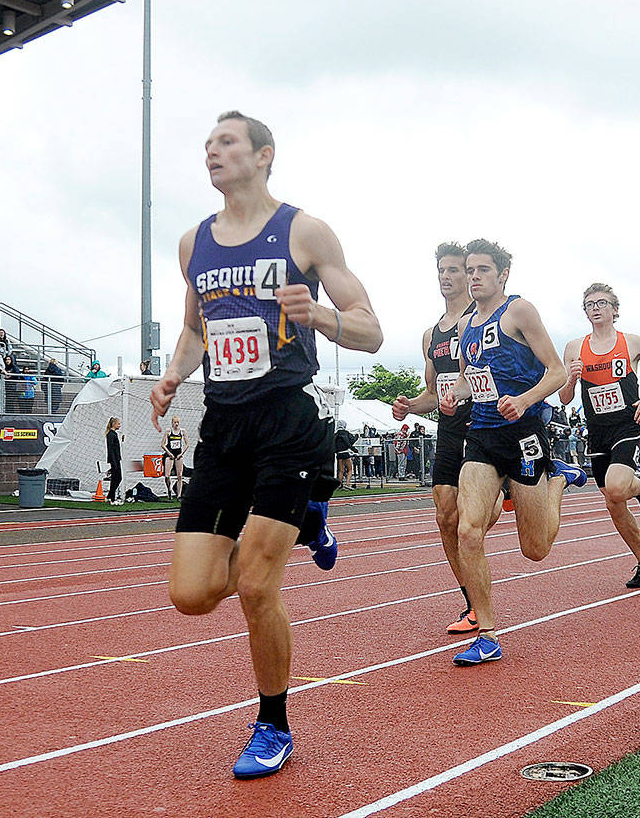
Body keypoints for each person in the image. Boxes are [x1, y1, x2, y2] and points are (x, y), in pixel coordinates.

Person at [149, 110, 382, 779]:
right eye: (206, 145)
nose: (212, 153)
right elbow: (195, 329)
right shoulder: (194, 242)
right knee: (191, 594)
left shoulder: (304, 231)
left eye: (225, 142)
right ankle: (313, 516)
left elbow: (370, 327)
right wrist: (172, 375)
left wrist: (321, 315)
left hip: (287, 421)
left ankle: (273, 723)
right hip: (223, 427)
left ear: (264, 155)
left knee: (255, 581)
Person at [438, 239, 586, 667]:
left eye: (483, 269)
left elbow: (557, 373)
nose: (473, 276)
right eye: (469, 270)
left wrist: (523, 400)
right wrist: (453, 396)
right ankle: (487, 634)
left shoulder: (519, 311)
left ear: (502, 275)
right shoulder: (466, 328)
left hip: (524, 434)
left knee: (535, 549)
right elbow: (471, 381)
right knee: (468, 530)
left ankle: (557, 479)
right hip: (482, 434)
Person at [559, 282, 640, 589]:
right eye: (590, 304)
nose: (596, 308)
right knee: (613, 501)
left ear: (615, 310)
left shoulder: (632, 343)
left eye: (602, 303)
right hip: (597, 431)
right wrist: (572, 379)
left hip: (628, 424)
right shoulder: (575, 347)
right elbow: (563, 398)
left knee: (616, 486)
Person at [392, 241, 487, 633]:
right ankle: (472, 603)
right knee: (445, 515)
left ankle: (529, 481)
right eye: (441, 272)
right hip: (449, 428)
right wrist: (409, 406)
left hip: (483, 425)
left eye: (454, 271)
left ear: (469, 274)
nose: (447, 278)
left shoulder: (482, 319)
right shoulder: (431, 335)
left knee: (474, 517)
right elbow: (433, 393)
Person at [160, 415, 191, 499]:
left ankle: (179, 495)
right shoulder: (168, 431)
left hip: (178, 454)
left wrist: (182, 454)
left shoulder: (182, 431)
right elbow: (162, 444)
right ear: (172, 423)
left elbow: (187, 444)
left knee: (180, 475)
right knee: (167, 475)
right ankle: (169, 490)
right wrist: (169, 453)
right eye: (175, 422)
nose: (176, 424)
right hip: (169, 454)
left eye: (178, 422)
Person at [104, 417, 124, 503]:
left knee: (116, 478)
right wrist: (113, 462)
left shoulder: (114, 434)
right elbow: (110, 449)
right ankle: (111, 496)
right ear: (114, 424)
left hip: (116, 459)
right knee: (117, 478)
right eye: (118, 423)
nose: (120, 425)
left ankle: (110, 496)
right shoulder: (111, 435)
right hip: (114, 460)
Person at [334, 421, 356, 489]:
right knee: (350, 470)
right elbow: (351, 440)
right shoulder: (346, 433)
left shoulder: (336, 434)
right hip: (345, 453)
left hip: (339, 454)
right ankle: (347, 484)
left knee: (341, 471)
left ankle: (339, 485)